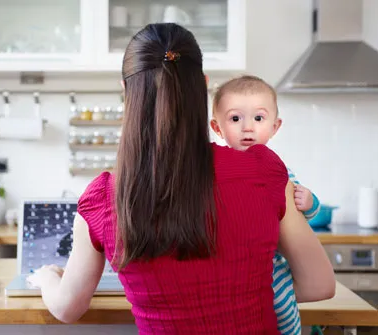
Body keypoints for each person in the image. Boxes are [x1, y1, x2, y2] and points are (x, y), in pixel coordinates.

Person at [27, 23, 335, 334]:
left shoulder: (102, 197)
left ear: (126, 91)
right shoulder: (263, 170)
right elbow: (319, 284)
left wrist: (47, 278)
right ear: (202, 85)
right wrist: (240, 295)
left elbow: (68, 308)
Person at [210, 75, 321, 335]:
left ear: (274, 126)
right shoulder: (213, 170)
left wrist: (309, 202)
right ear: (217, 127)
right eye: (235, 118)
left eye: (258, 118)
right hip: (229, 268)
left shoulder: (278, 170)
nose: (247, 128)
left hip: (274, 267)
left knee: (283, 309)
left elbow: (309, 214)